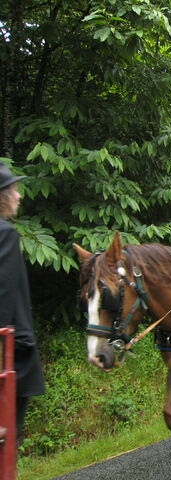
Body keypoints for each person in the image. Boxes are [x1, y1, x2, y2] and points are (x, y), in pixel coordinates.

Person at [0, 162, 45, 445]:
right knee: (7, 442)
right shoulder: (5, 233)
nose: (19, 197)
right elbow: (4, 297)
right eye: (14, 190)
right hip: (11, 355)